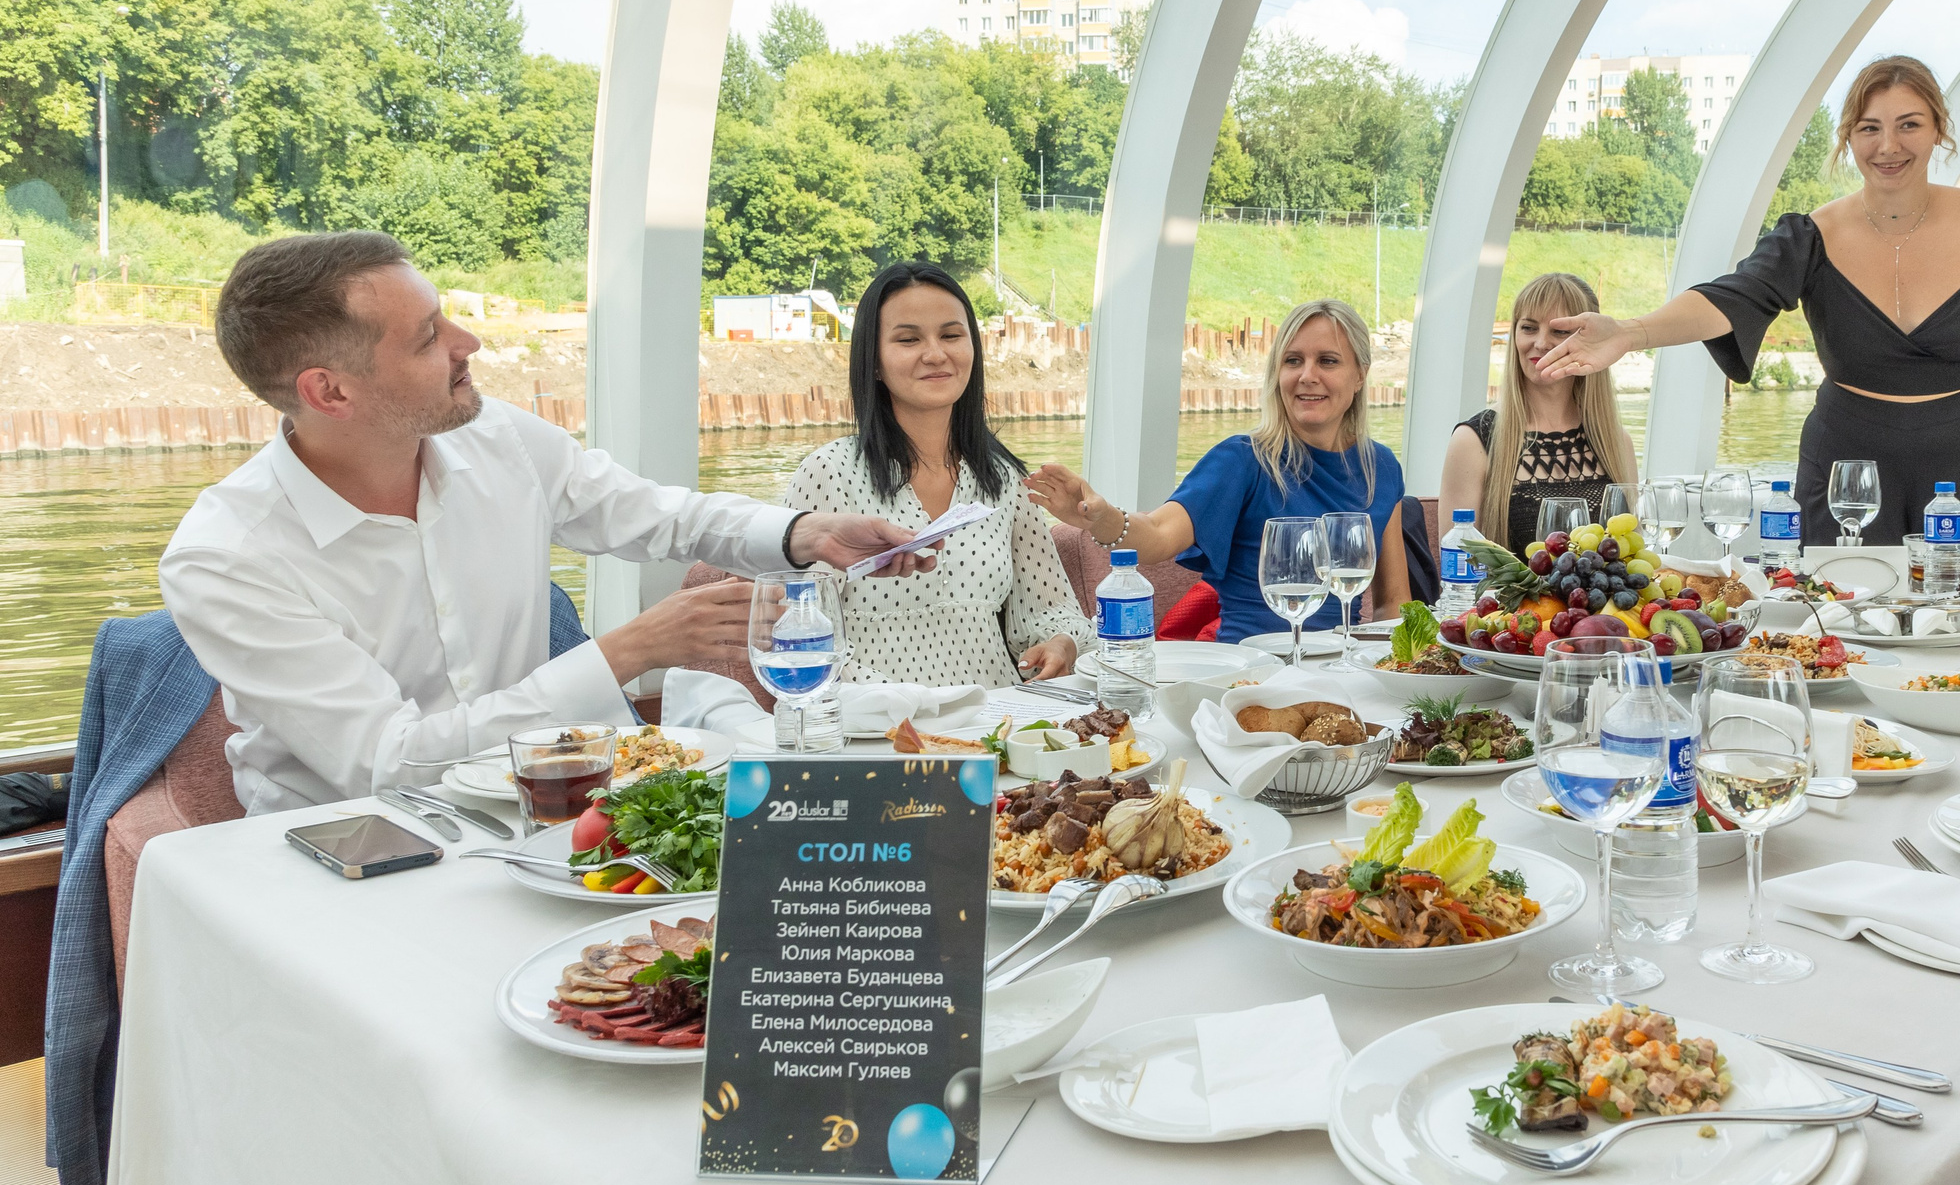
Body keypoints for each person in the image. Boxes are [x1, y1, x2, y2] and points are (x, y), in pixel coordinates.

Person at [160, 232, 931, 815]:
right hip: (352, 857)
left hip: (551, 815)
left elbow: (660, 516)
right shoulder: (225, 558)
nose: (471, 344)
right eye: (430, 336)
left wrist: (808, 533)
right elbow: (387, 763)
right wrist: (631, 651)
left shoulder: (497, 438)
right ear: (329, 391)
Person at [1532, 56, 1960, 562]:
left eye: (1909, 125)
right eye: (1868, 128)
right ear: (1848, 138)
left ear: (1938, 130)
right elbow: (1732, 296)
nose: (1888, 146)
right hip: (1847, 473)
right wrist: (1629, 332)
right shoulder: (1811, 235)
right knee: (1843, 636)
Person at [783, 262, 1093, 687]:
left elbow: (1050, 609)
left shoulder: (1001, 480)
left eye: (951, 335)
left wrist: (1060, 644)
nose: (935, 353)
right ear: (874, 361)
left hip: (997, 724)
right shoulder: (828, 473)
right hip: (883, 732)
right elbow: (800, 636)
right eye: (909, 339)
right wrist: (907, 707)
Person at [1027, 297, 1410, 641]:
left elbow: (1392, 604)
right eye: (1293, 361)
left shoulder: (1381, 468)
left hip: (1339, 667)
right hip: (1251, 667)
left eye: (1327, 360)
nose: (1307, 375)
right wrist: (1101, 518)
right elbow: (1159, 535)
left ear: (1360, 375)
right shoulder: (1242, 460)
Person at [1438, 271, 1639, 551]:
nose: (1541, 343)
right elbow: (1458, 568)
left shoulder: (1616, 441)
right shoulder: (1473, 441)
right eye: (1529, 328)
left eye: (1559, 331)